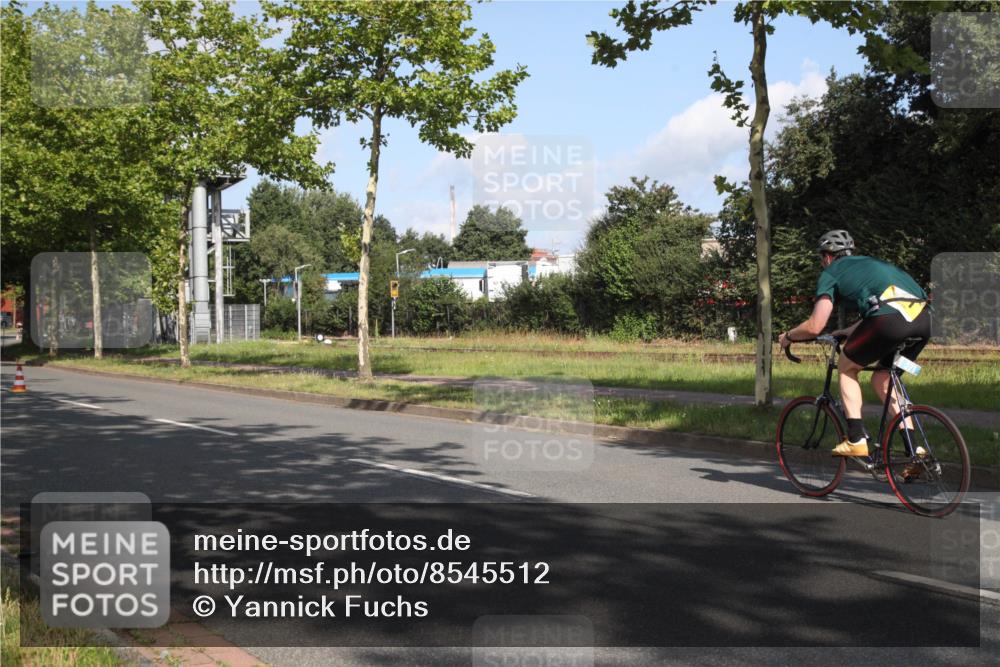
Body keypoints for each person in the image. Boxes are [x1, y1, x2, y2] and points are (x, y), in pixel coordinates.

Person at [778, 230, 930, 463]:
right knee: (883, 380)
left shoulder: (831, 272)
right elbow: (886, 306)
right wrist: (848, 332)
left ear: (828, 257)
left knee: (847, 367)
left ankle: (856, 439)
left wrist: (789, 336)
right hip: (923, 323)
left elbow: (815, 326)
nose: (823, 263)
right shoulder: (875, 265)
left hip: (889, 323)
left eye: (822, 258)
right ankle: (914, 450)